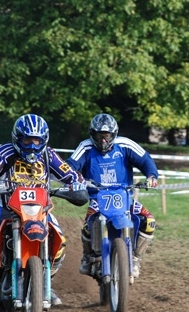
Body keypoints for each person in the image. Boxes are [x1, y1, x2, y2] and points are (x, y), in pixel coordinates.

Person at [0, 113, 84, 305]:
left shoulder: (48, 155)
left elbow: (70, 173)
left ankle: (46, 282)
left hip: (41, 211)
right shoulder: (5, 153)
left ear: (44, 140)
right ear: (17, 138)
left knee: (59, 240)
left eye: (37, 140)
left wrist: (77, 184)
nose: (32, 146)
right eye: (27, 140)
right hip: (6, 209)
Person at [66, 113, 159, 278]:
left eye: (107, 136)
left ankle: (135, 258)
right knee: (88, 226)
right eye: (99, 136)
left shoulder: (125, 145)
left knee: (149, 221)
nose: (103, 140)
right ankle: (88, 256)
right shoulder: (85, 147)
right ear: (92, 134)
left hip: (124, 197)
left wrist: (151, 176)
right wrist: (72, 179)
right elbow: (70, 165)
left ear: (114, 134)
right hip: (97, 198)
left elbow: (145, 160)